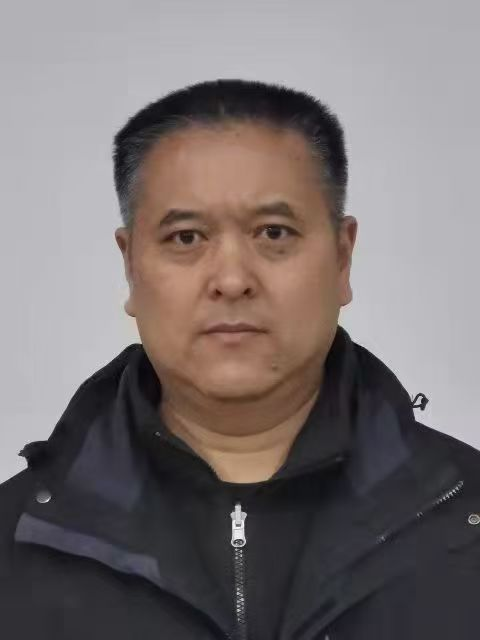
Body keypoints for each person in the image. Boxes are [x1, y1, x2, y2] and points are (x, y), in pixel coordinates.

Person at [1, 78, 479, 640]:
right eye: (186, 238)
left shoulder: (465, 518)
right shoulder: (17, 541)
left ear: (342, 257)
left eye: (274, 232)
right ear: (130, 265)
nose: (231, 280)